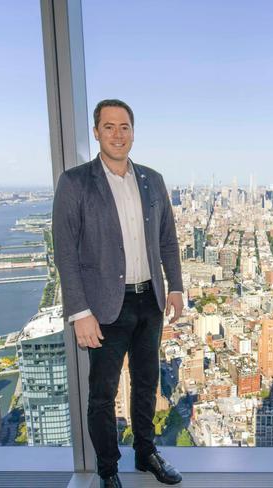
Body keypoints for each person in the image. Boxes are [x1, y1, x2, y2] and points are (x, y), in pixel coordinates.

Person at [53, 99, 184, 488]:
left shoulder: (152, 180)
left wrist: (174, 286)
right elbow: (65, 252)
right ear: (96, 132)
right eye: (108, 127)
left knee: (147, 384)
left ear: (133, 131)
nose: (117, 134)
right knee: (102, 394)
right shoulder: (76, 182)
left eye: (124, 126)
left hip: (150, 301)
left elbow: (168, 240)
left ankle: (146, 453)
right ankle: (108, 470)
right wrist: (80, 312)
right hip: (104, 307)